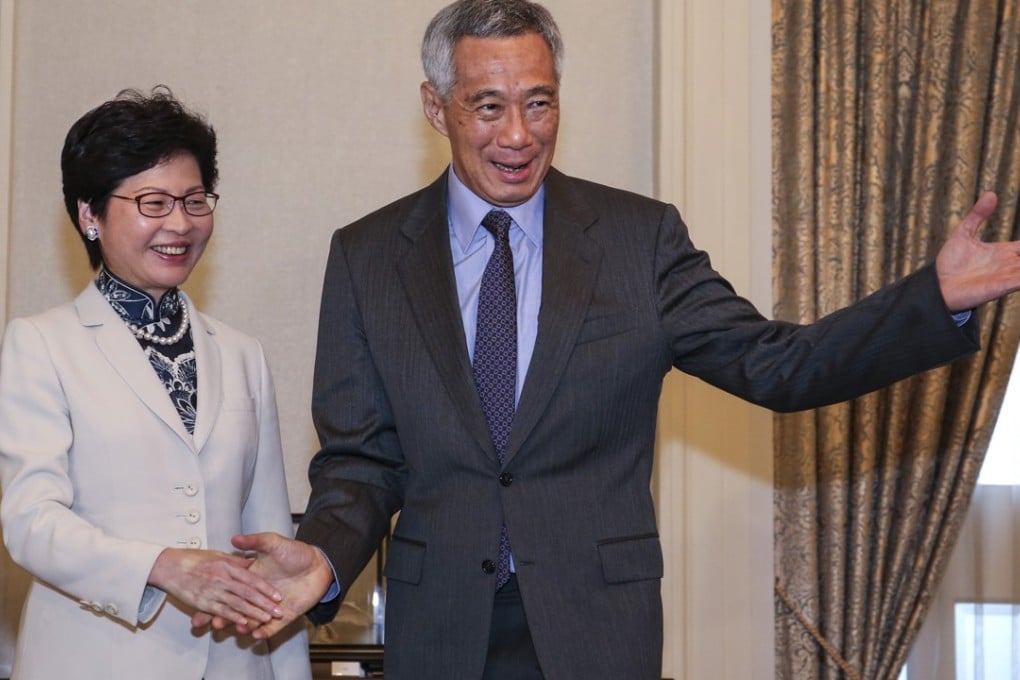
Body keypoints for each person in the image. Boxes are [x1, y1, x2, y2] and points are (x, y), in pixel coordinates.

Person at [216, 1, 1020, 678]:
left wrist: (935, 297)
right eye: (487, 106)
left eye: (540, 101)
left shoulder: (640, 240)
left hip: (597, 625)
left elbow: (781, 364)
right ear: (437, 107)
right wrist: (322, 555)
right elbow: (361, 458)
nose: (519, 134)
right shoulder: (367, 257)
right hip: (441, 630)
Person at [0, 88, 311, 680]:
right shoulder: (41, 344)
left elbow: (269, 547)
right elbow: (31, 522)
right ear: (90, 214)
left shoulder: (244, 355)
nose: (180, 223)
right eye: (153, 202)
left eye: (195, 201)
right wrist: (162, 566)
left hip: (231, 664)